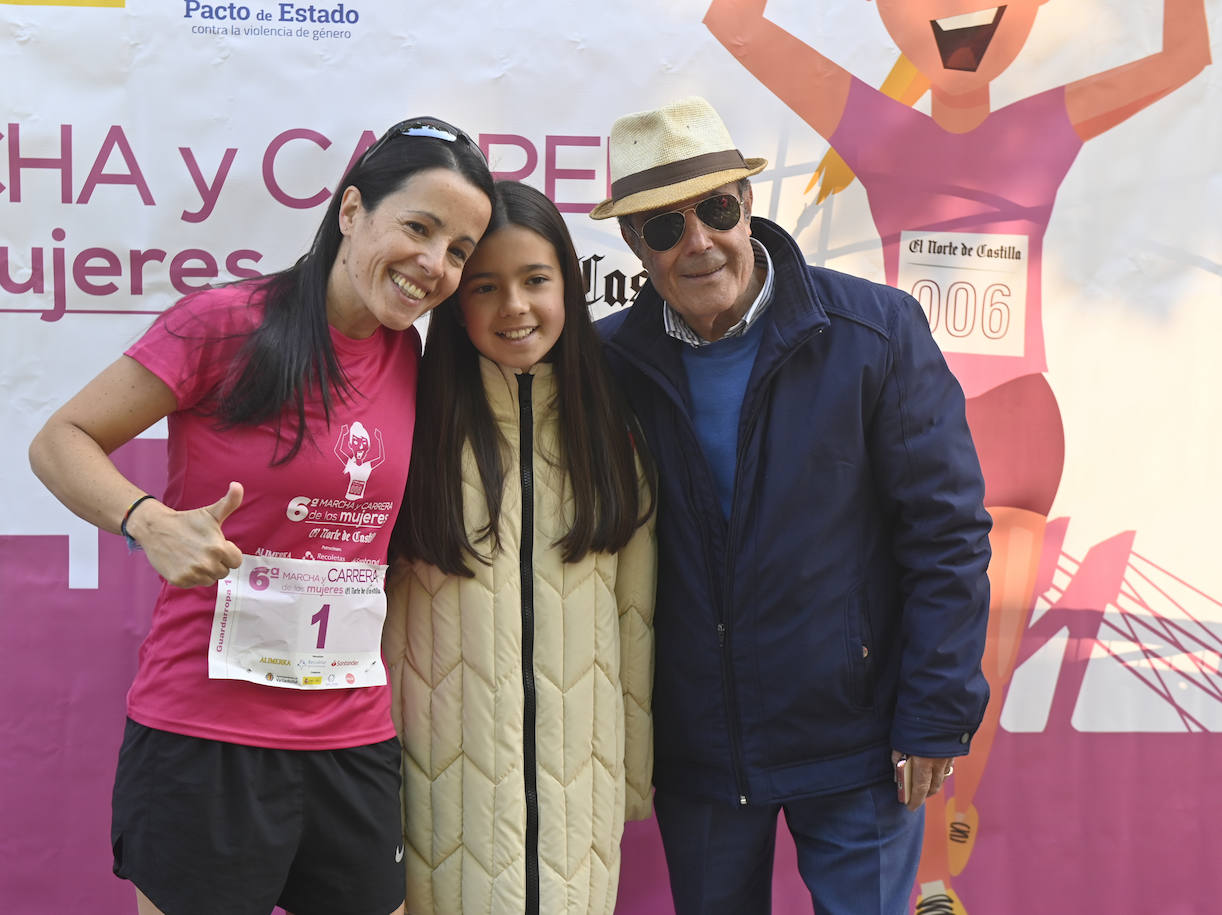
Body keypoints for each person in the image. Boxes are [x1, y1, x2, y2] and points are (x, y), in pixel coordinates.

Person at [702, 4, 1211, 907]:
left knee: (964, 678)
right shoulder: (877, 122)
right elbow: (732, 24)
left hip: (1012, 423)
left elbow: (1188, 54)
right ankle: (921, 869)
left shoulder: (1040, 121)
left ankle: (935, 876)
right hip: (890, 429)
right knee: (881, 653)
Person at [27, 116, 494, 915]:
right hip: (206, 736)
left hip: (352, 734)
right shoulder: (223, 322)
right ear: (352, 211)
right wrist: (147, 519)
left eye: (458, 250)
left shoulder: (411, 358)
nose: (434, 264)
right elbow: (59, 440)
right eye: (419, 227)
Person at [590, 96, 992, 915]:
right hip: (697, 745)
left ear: (748, 204)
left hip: (858, 741)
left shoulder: (874, 332)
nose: (697, 240)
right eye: (664, 228)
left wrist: (934, 713)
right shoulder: (604, 365)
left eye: (714, 209)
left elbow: (947, 535)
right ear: (634, 244)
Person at [382, 180, 656, 915]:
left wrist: (629, 779)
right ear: (452, 301)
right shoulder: (414, 431)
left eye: (536, 279)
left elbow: (635, 620)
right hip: (438, 794)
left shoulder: (611, 436)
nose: (515, 307)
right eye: (484, 287)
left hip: (581, 800)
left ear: (569, 282)